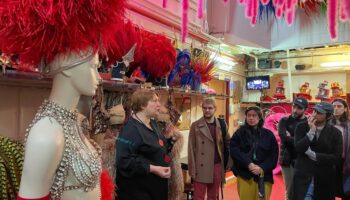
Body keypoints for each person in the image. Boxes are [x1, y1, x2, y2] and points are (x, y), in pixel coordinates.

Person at [2, 1, 125, 199]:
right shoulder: (46, 135)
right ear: (67, 67)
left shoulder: (71, 122)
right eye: (93, 67)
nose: (99, 77)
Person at [116, 89, 172, 200]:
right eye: (154, 101)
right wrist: (153, 169)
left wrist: (170, 139)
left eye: (158, 101)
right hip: (138, 191)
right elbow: (124, 161)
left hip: (155, 188)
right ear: (142, 105)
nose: (158, 104)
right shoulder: (130, 130)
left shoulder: (153, 123)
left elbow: (159, 148)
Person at [293, 102, 342, 200]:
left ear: (328, 116)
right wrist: (311, 132)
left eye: (319, 113)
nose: (314, 114)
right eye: (314, 110)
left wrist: (314, 155)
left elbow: (336, 158)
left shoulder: (336, 133)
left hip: (325, 177)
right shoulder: (301, 127)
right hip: (304, 175)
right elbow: (298, 148)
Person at [230, 106, 279, 200]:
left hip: (264, 176)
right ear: (246, 117)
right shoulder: (239, 133)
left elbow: (273, 155)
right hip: (245, 175)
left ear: (259, 117)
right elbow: (235, 151)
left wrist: (262, 168)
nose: (251, 118)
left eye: (254, 115)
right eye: (249, 115)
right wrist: (249, 164)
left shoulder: (268, 135)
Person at [188, 97, 231, 200]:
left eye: (210, 108)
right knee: (198, 197)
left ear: (215, 109)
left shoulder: (221, 124)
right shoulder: (195, 125)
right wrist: (192, 169)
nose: (207, 110)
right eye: (205, 108)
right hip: (200, 166)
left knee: (213, 196)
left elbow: (228, 143)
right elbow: (191, 148)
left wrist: (228, 164)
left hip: (216, 165)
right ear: (202, 108)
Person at [278, 97, 309, 200]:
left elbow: (308, 142)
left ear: (305, 109)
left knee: (303, 190)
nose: (295, 110)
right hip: (287, 160)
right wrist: (299, 140)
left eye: (299, 108)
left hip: (303, 160)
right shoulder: (284, 121)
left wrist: (290, 138)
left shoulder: (308, 123)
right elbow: (283, 137)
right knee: (290, 191)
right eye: (294, 106)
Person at [331, 98, 350, 199]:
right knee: (329, 191)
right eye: (334, 106)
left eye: (339, 106)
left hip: (346, 163)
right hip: (330, 162)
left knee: (346, 192)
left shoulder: (348, 125)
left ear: (346, 109)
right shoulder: (327, 124)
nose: (336, 109)